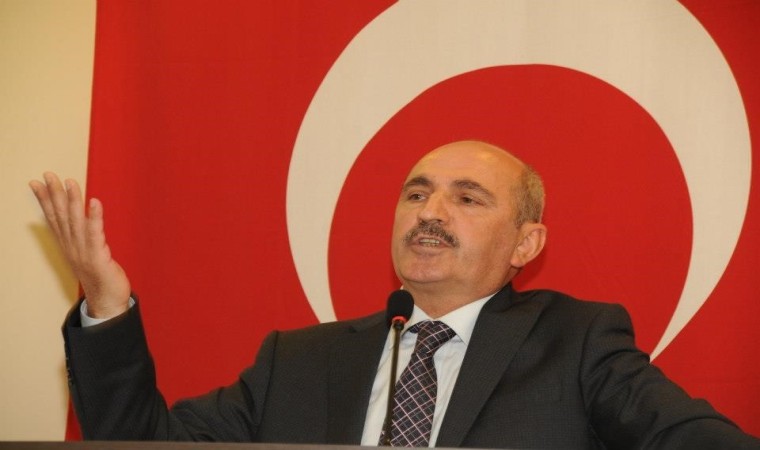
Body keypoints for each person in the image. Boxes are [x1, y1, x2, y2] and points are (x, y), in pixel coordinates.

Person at [30, 140, 760, 449]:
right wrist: (106, 303)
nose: (429, 213)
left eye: (466, 198)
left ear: (525, 244)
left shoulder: (577, 344)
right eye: (416, 193)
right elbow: (141, 447)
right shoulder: (298, 361)